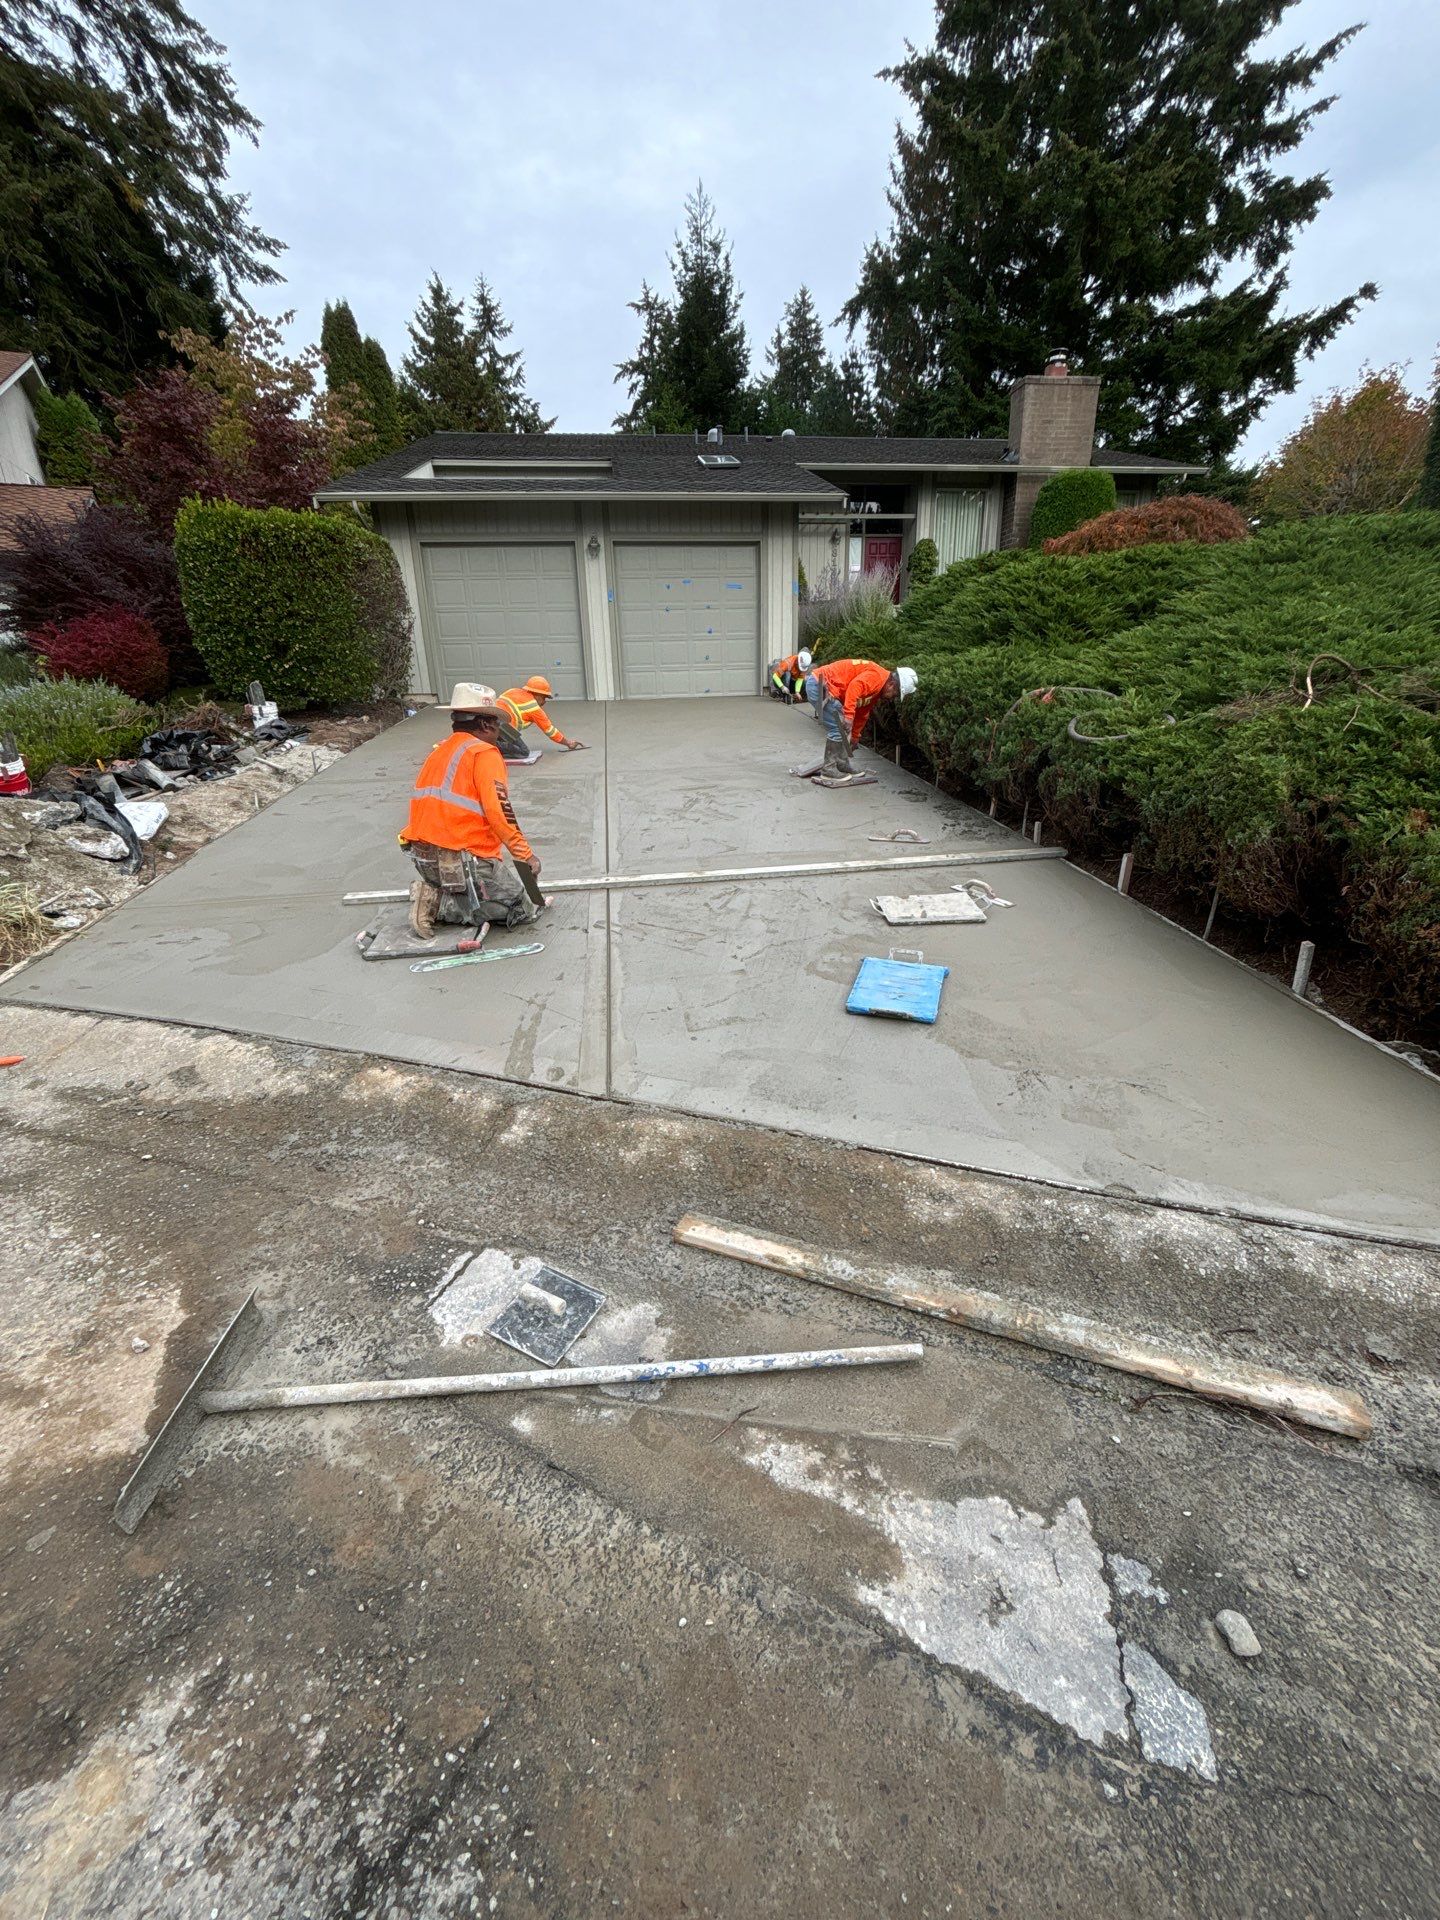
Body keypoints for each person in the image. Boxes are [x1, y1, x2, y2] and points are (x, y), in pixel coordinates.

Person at [401, 683, 545, 939]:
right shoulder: (484, 753)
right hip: (462, 860)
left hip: (425, 859)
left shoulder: (440, 751)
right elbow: (500, 812)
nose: (499, 732)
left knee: (488, 893)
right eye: (497, 724)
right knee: (520, 909)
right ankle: (439, 904)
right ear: (486, 725)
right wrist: (526, 856)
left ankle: (441, 891)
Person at [803, 658, 919, 779]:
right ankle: (828, 770)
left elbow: (862, 712)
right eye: (895, 694)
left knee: (844, 728)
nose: (892, 698)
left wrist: (855, 736)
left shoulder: (878, 688)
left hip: (823, 686)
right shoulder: (877, 678)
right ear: (892, 685)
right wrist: (848, 716)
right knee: (838, 728)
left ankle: (841, 765)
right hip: (819, 684)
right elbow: (854, 687)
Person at [496, 676, 586, 757]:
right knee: (523, 751)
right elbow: (550, 730)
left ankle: (492, 742)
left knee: (508, 745)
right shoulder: (533, 707)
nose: (544, 702)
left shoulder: (512, 691)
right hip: (504, 726)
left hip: (491, 720)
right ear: (538, 695)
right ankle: (493, 745)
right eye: (544, 697)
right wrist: (568, 743)